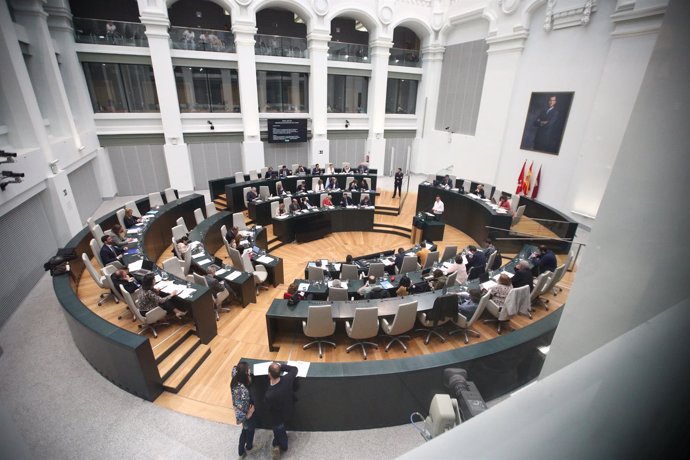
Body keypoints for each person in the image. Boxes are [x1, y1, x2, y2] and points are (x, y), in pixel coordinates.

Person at [265, 362, 298, 458]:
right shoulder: (287, 379)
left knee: (278, 430)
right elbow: (294, 369)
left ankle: (282, 446)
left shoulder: (269, 394)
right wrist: (281, 366)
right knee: (280, 430)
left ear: (269, 374)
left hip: (277, 417)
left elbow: (268, 408)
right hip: (287, 409)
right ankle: (278, 444)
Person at [231, 362, 256, 458]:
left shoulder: (235, 375)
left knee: (245, 429)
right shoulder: (244, 393)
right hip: (244, 414)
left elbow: (234, 368)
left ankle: (241, 450)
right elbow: (241, 410)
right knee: (248, 429)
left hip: (239, 407)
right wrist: (249, 414)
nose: (249, 371)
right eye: (248, 370)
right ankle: (246, 447)